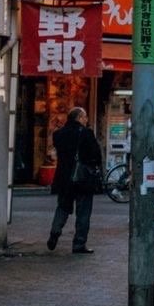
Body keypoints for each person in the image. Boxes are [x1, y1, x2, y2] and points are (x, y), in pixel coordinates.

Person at [47, 107, 102, 254]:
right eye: (84, 117)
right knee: (83, 211)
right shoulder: (86, 133)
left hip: (64, 177)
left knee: (63, 207)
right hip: (83, 178)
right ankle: (79, 243)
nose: (86, 120)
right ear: (79, 118)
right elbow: (96, 154)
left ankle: (55, 231)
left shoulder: (58, 134)